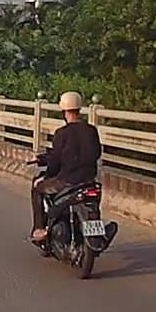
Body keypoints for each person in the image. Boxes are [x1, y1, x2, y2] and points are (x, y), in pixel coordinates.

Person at [30, 91, 102, 242]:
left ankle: (39, 228)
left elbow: (56, 160)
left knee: (37, 187)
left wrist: (47, 175)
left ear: (63, 111)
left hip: (68, 181)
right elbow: (96, 153)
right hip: (89, 180)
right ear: (79, 109)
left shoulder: (62, 133)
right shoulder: (91, 130)